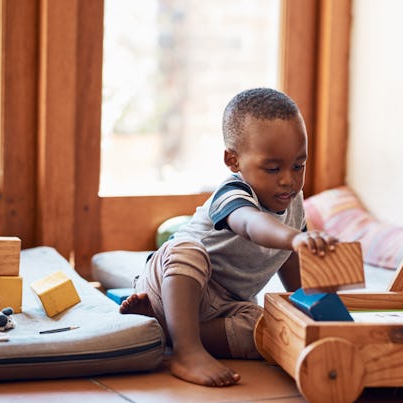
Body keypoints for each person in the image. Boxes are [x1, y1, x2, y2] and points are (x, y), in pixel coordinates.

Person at [120, 87, 338, 387]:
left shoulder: (294, 202)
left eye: (299, 165)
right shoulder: (234, 192)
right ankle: (186, 350)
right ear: (233, 160)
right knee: (187, 250)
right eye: (273, 168)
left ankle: (165, 328)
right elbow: (251, 224)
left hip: (226, 307)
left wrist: (316, 309)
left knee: (269, 329)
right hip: (173, 283)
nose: (289, 179)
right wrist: (293, 238)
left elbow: (291, 265)